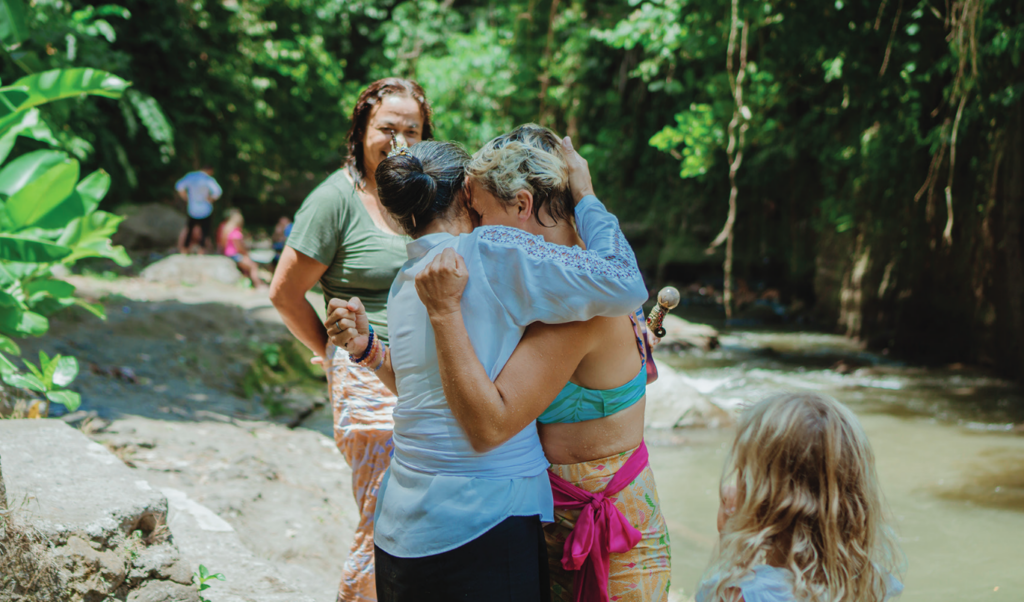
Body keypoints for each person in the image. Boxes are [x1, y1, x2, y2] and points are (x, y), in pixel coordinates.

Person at [333, 125, 671, 602]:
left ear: (521, 204)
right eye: (472, 212)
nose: (476, 226)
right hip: (511, 518)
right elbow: (446, 401)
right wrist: (374, 350)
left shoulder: (424, 274)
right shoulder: (492, 273)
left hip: (600, 531)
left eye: (481, 213)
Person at [268, 78, 432, 602]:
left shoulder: (425, 195)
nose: (400, 139)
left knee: (422, 510)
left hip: (426, 370)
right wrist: (331, 355)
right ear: (361, 130)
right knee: (386, 510)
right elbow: (285, 294)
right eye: (387, 128)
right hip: (366, 377)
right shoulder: (335, 200)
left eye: (412, 128)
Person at [697, 392, 904, 602]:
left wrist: (730, 545)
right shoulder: (869, 583)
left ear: (762, 500)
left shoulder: (744, 593)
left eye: (742, 471)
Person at [175, 166, 222, 254]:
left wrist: (185, 197)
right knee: (205, 230)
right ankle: (202, 250)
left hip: (192, 208)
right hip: (205, 208)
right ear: (209, 170)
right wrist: (210, 199)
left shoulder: (190, 176)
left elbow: (179, 186)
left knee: (189, 229)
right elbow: (218, 192)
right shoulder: (207, 179)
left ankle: (185, 249)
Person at [217, 208, 265, 288]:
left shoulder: (226, 230)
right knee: (253, 266)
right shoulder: (236, 233)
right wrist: (246, 253)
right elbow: (239, 248)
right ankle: (258, 285)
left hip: (227, 254)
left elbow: (222, 244)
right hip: (234, 255)